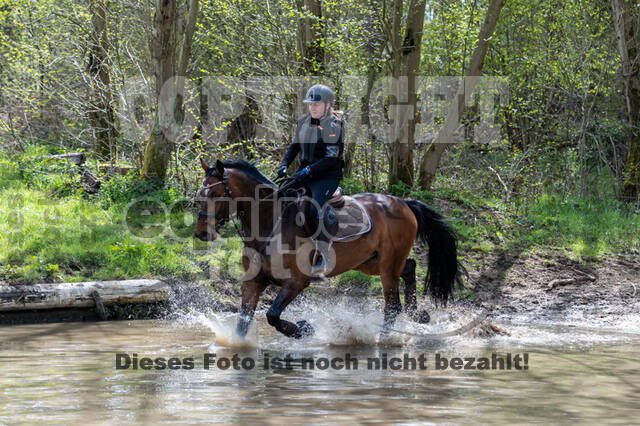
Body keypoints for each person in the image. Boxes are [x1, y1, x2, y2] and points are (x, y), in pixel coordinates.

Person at [277, 84, 345, 277]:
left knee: (315, 208)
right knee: (280, 196)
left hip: (326, 176)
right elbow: (294, 146)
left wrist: (307, 170)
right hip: (304, 173)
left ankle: (324, 254)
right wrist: (284, 164)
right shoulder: (303, 121)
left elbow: (331, 158)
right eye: (310, 104)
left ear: (328, 105)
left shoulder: (334, 125)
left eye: (317, 104)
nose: (313, 107)